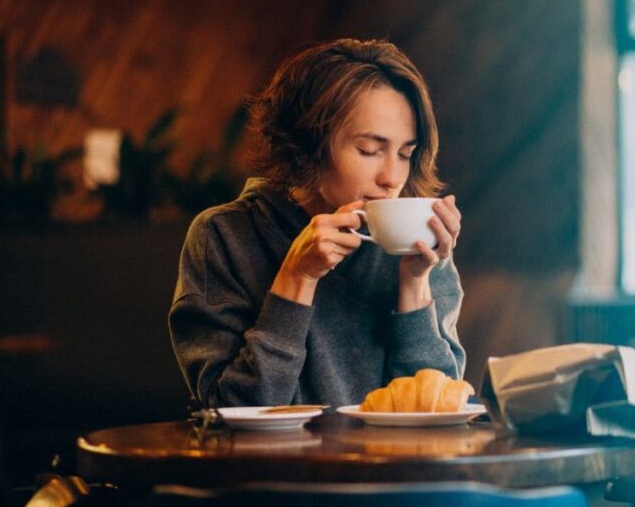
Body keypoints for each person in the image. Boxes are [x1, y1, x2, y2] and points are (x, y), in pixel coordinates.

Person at [169, 39, 465, 409]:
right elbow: (229, 412)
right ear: (308, 144)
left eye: (406, 153)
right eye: (369, 150)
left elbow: (437, 410)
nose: (393, 177)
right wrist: (297, 278)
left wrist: (415, 284)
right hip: (271, 469)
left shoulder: (418, 240)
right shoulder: (225, 236)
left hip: (392, 467)